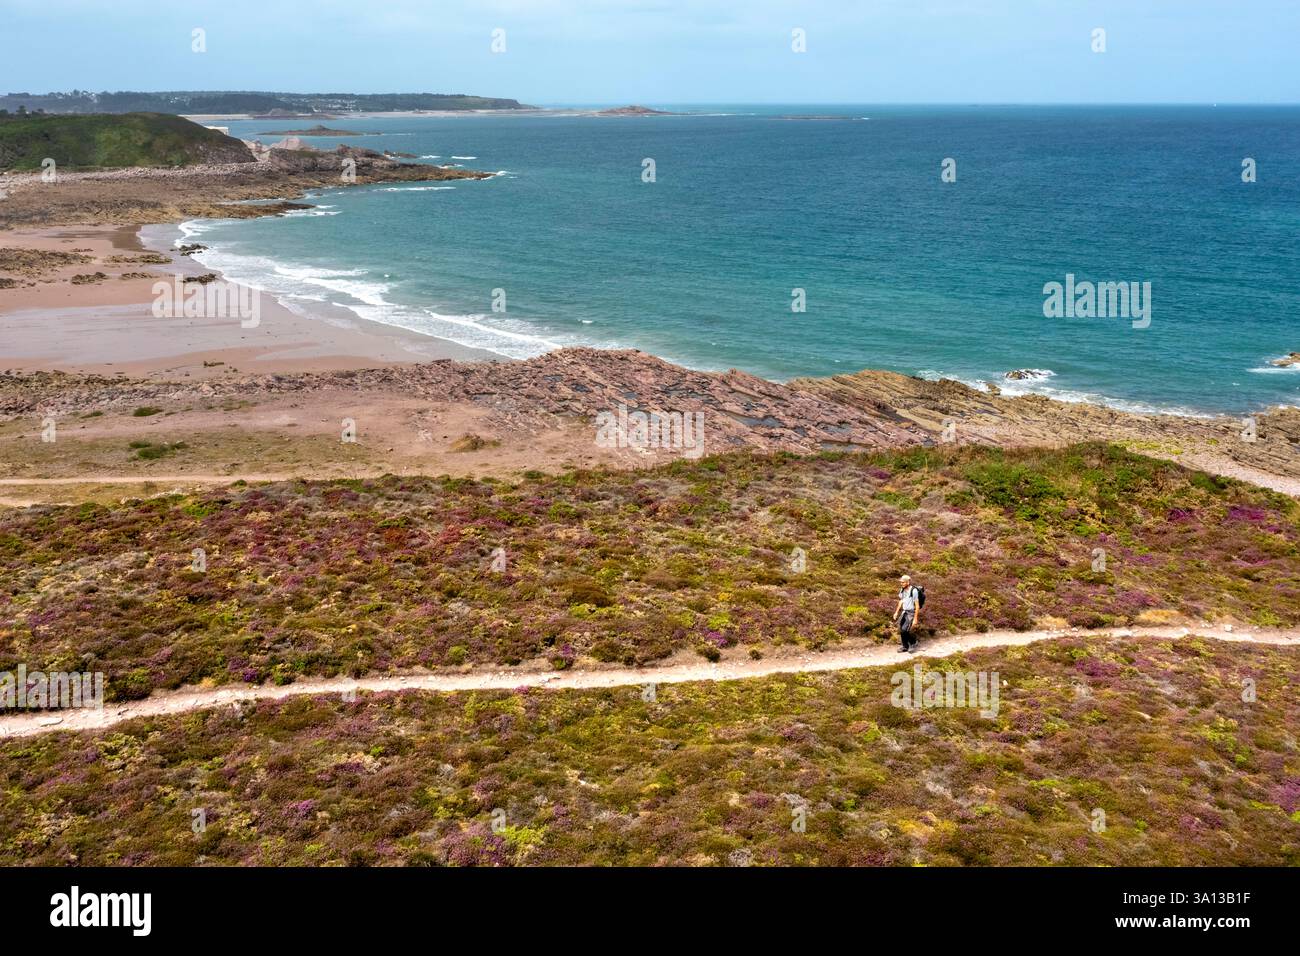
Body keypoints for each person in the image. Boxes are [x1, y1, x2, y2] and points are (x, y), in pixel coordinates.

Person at [892, 574, 921, 653]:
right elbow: (901, 601)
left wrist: (915, 619)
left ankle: (913, 643)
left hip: (911, 613)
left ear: (908, 582)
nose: (901, 584)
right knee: (901, 629)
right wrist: (896, 612)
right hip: (904, 612)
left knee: (905, 630)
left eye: (903, 582)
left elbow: (917, 606)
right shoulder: (902, 589)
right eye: (901, 582)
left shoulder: (914, 591)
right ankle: (905, 646)